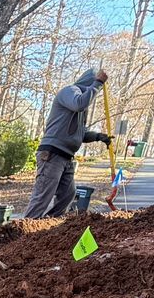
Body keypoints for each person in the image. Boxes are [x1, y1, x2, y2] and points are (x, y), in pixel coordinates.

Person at [24, 67, 114, 219]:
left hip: (66, 157)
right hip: (53, 153)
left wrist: (98, 136)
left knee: (68, 195)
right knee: (43, 195)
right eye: (94, 86)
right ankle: (26, 226)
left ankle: (48, 223)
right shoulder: (70, 91)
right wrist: (98, 83)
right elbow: (79, 104)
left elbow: (80, 134)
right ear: (89, 81)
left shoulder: (82, 107)